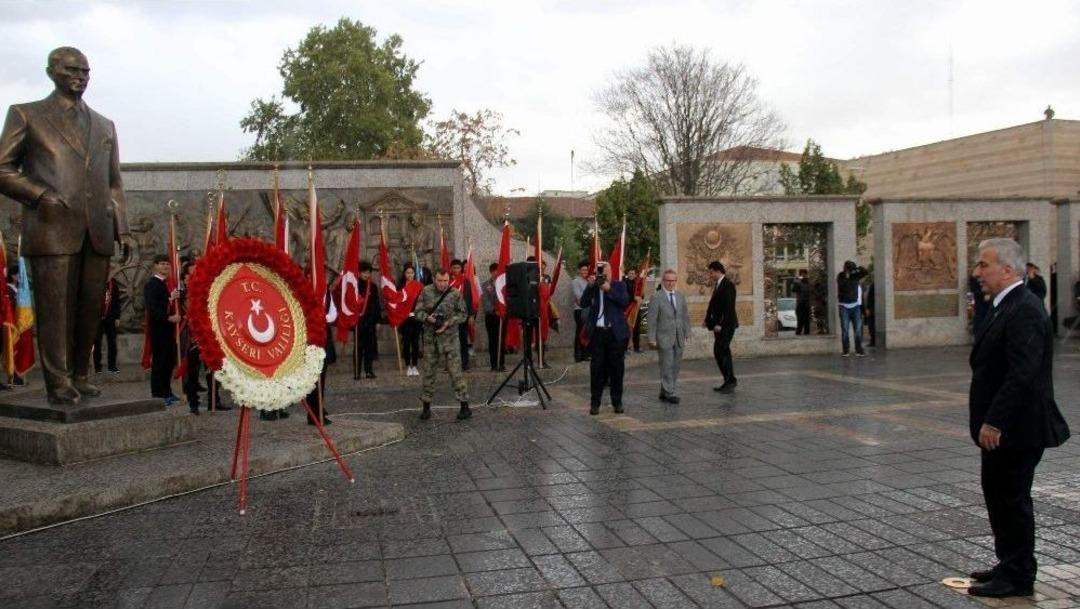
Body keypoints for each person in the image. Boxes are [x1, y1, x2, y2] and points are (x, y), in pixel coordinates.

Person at [0, 47, 136, 405]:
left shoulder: (104, 125)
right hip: (52, 228)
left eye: (86, 71)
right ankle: (57, 380)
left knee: (89, 309)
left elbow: (114, 184)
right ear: (51, 72)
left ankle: (80, 374)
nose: (80, 76)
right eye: (72, 70)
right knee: (55, 310)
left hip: (98, 230)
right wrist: (40, 193)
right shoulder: (26, 115)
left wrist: (122, 227)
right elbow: (3, 169)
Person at [966, 238, 1070, 598]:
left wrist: (995, 421)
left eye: (983, 265)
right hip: (1004, 429)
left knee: (1011, 500)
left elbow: (1022, 374)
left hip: (1016, 429)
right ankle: (1008, 563)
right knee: (999, 496)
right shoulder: (1003, 305)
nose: (976, 273)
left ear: (1007, 270)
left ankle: (1018, 575)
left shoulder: (1024, 308)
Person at [414, 269, 470, 421]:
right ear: (434, 279)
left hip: (450, 339)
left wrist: (448, 323)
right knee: (429, 372)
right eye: (440, 280)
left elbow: (463, 314)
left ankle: (465, 406)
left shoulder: (455, 293)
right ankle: (426, 407)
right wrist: (429, 318)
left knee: (455, 372)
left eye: (445, 281)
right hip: (431, 339)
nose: (443, 284)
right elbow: (417, 312)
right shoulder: (425, 292)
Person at [580, 262, 629, 415]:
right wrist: (590, 286)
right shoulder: (594, 287)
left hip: (615, 334)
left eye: (604, 269)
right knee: (596, 370)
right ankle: (595, 403)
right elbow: (583, 303)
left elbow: (624, 302)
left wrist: (609, 289)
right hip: (598, 333)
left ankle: (617, 402)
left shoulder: (619, 285)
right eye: (598, 269)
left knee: (617, 369)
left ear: (611, 270)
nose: (601, 272)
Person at [647, 269, 690, 404]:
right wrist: (651, 338)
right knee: (666, 365)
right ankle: (670, 392)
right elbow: (651, 319)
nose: (671, 283)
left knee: (675, 365)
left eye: (673, 280)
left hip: (679, 336)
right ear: (663, 281)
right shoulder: (656, 297)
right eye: (668, 280)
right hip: (664, 337)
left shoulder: (680, 296)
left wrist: (687, 332)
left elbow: (684, 316)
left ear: (676, 281)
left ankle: (664, 390)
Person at [144, 255, 180, 405]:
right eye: (163, 264)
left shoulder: (166, 284)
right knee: (159, 361)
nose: (166, 266)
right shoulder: (152, 284)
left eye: (167, 264)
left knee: (169, 361)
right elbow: (153, 308)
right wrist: (168, 316)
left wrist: (172, 299)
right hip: (159, 327)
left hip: (168, 329)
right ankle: (158, 393)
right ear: (156, 266)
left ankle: (167, 391)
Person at [704, 260, 738, 393]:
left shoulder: (728, 285)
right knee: (723, 351)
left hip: (726, 325)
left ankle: (730, 380)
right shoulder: (718, 285)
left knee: (720, 350)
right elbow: (713, 305)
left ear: (718, 271)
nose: (710, 275)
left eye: (711, 272)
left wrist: (720, 324)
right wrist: (707, 320)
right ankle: (728, 380)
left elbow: (729, 307)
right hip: (719, 326)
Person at [305, 285, 337, 426]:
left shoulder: (327, 291)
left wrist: (323, 317)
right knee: (313, 378)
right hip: (310, 337)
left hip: (324, 334)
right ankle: (313, 413)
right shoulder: (306, 290)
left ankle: (318, 408)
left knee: (322, 375)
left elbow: (333, 313)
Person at [94, 269, 122, 375]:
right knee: (97, 342)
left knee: (112, 342)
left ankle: (112, 366)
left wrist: (117, 317)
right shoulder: (95, 283)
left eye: (111, 272)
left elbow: (117, 301)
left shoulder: (113, 284)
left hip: (110, 318)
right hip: (97, 318)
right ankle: (97, 367)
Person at [837, 260, 868, 357]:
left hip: (855, 307)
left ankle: (859, 350)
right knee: (845, 329)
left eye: (850, 268)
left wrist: (857, 269)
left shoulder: (855, 275)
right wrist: (846, 275)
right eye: (848, 268)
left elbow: (865, 272)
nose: (849, 270)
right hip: (844, 306)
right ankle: (846, 350)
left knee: (858, 329)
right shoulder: (841, 276)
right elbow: (843, 286)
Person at [355, 261, 381, 379]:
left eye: (368, 272)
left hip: (370, 321)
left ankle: (369, 370)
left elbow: (376, 304)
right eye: (364, 272)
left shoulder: (373, 286)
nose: (366, 275)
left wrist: (378, 321)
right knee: (358, 347)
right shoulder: (354, 285)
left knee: (369, 347)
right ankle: (357, 371)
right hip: (358, 321)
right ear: (359, 273)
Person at [449, 258, 475, 371]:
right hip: (450, 316)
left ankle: (465, 363)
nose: (456, 270)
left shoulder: (465, 281)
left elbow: (469, 299)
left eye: (458, 268)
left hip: (462, 315)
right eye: (454, 268)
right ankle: (451, 364)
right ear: (451, 269)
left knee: (463, 340)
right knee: (451, 341)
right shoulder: (447, 281)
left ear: (461, 269)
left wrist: (471, 315)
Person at [398, 264, 422, 377]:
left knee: (415, 343)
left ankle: (415, 365)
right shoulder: (401, 286)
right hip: (404, 318)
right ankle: (408, 365)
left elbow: (422, 301)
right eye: (408, 273)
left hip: (416, 318)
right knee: (406, 342)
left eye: (412, 273)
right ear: (404, 274)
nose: (410, 275)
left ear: (414, 274)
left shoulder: (419, 286)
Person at [481, 262, 505, 372]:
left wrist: (502, 310)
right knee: (493, 340)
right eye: (494, 271)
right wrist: (494, 310)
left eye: (498, 271)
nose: (496, 273)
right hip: (491, 317)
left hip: (503, 316)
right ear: (491, 272)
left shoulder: (505, 284)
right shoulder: (486, 285)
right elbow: (485, 302)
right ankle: (493, 364)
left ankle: (502, 364)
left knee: (502, 340)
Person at [572, 261, 589, 362]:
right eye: (583, 270)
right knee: (579, 332)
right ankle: (577, 356)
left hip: (587, 310)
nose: (585, 271)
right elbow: (579, 297)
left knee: (585, 332)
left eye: (586, 270)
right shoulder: (576, 281)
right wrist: (587, 300)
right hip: (579, 310)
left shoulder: (587, 282)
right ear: (579, 270)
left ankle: (585, 354)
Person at [624, 268, 643, 353]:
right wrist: (633, 298)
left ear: (635, 275)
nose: (631, 275)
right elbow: (625, 295)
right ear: (627, 274)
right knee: (627, 328)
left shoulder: (638, 283)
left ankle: (637, 346)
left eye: (633, 273)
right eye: (630, 273)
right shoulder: (624, 283)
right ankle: (625, 347)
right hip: (628, 308)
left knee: (636, 328)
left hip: (636, 308)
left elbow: (641, 295)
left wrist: (641, 297)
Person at [791, 270, 811, 335]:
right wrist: (796, 282)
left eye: (805, 274)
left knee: (807, 322)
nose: (803, 276)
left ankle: (806, 335)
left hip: (807, 304)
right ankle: (798, 334)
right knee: (800, 321)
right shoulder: (798, 282)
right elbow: (794, 290)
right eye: (802, 275)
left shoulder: (809, 283)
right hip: (800, 304)